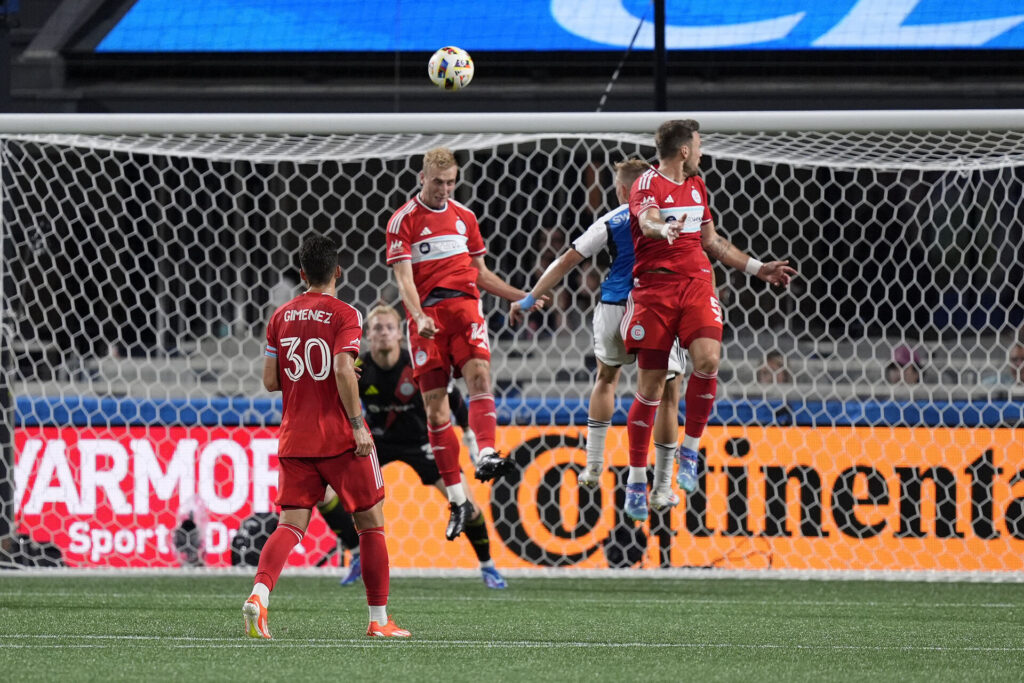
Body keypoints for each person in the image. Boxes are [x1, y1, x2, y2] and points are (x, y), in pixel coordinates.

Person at [622, 119, 797, 521]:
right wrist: (660, 228)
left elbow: (712, 241)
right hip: (655, 291)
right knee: (650, 389)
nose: (701, 151)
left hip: (697, 284)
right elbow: (647, 219)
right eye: (698, 144)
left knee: (709, 360)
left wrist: (757, 268)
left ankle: (690, 452)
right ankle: (635, 479)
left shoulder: (698, 187)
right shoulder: (647, 184)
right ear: (684, 150)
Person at [243, 235, 410, 640]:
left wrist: (308, 379)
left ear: (301, 274)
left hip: (295, 438)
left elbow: (269, 381)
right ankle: (378, 619)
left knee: (290, 525)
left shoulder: (279, 316)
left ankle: (259, 594)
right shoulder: (346, 313)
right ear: (338, 272)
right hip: (339, 437)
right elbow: (339, 370)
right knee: (371, 524)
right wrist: (356, 425)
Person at [385, 147, 547, 540]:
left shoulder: (465, 218)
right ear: (422, 178)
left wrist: (518, 297)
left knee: (479, 376)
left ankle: (487, 452)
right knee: (437, 413)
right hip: (428, 320)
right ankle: (458, 500)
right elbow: (404, 280)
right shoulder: (403, 220)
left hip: (466, 311)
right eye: (438, 182)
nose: (444, 189)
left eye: (451, 183)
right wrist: (419, 316)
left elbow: (480, 273)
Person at [510, 159, 686, 511]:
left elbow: (565, 261)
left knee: (606, 379)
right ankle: (662, 486)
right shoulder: (670, 218)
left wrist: (530, 297)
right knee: (666, 393)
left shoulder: (612, 219)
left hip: (612, 308)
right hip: (656, 308)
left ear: (621, 190)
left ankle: (592, 465)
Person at [318, 304, 507, 589]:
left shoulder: (417, 365)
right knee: (324, 493)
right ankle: (356, 553)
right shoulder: (358, 367)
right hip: (376, 442)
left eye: (389, 327)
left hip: (423, 441)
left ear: (399, 334)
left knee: (466, 504)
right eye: (377, 328)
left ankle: (488, 566)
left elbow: (455, 402)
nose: (383, 333)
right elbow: (336, 399)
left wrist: (470, 439)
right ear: (368, 335)